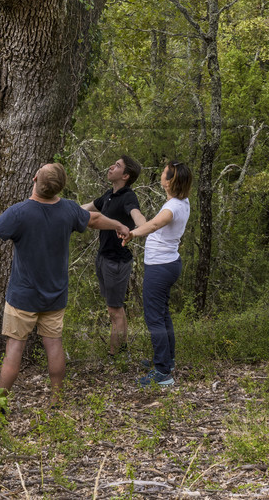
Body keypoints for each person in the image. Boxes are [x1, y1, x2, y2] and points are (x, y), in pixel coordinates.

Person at [0, 162, 129, 396]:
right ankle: (56, 397)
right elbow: (94, 219)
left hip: (22, 297)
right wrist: (118, 224)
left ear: (35, 179)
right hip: (55, 295)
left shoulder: (19, 212)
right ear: (60, 188)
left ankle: (0, 400)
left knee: (14, 348)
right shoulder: (68, 209)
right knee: (53, 343)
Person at [121, 161, 192, 390]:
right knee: (162, 315)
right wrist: (138, 219)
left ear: (169, 181)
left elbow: (152, 226)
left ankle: (162, 372)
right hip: (167, 264)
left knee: (154, 318)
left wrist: (132, 233)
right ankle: (167, 362)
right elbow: (152, 224)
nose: (161, 174)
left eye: (164, 173)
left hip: (160, 267)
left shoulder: (172, 208)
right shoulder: (179, 202)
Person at [84, 155, 147, 354]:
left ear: (126, 175)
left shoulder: (128, 196)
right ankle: (120, 352)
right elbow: (84, 209)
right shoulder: (108, 196)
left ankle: (116, 356)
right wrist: (57, 208)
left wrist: (143, 227)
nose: (111, 167)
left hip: (116, 262)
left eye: (117, 166)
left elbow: (137, 215)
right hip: (103, 258)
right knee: (114, 309)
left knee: (115, 310)